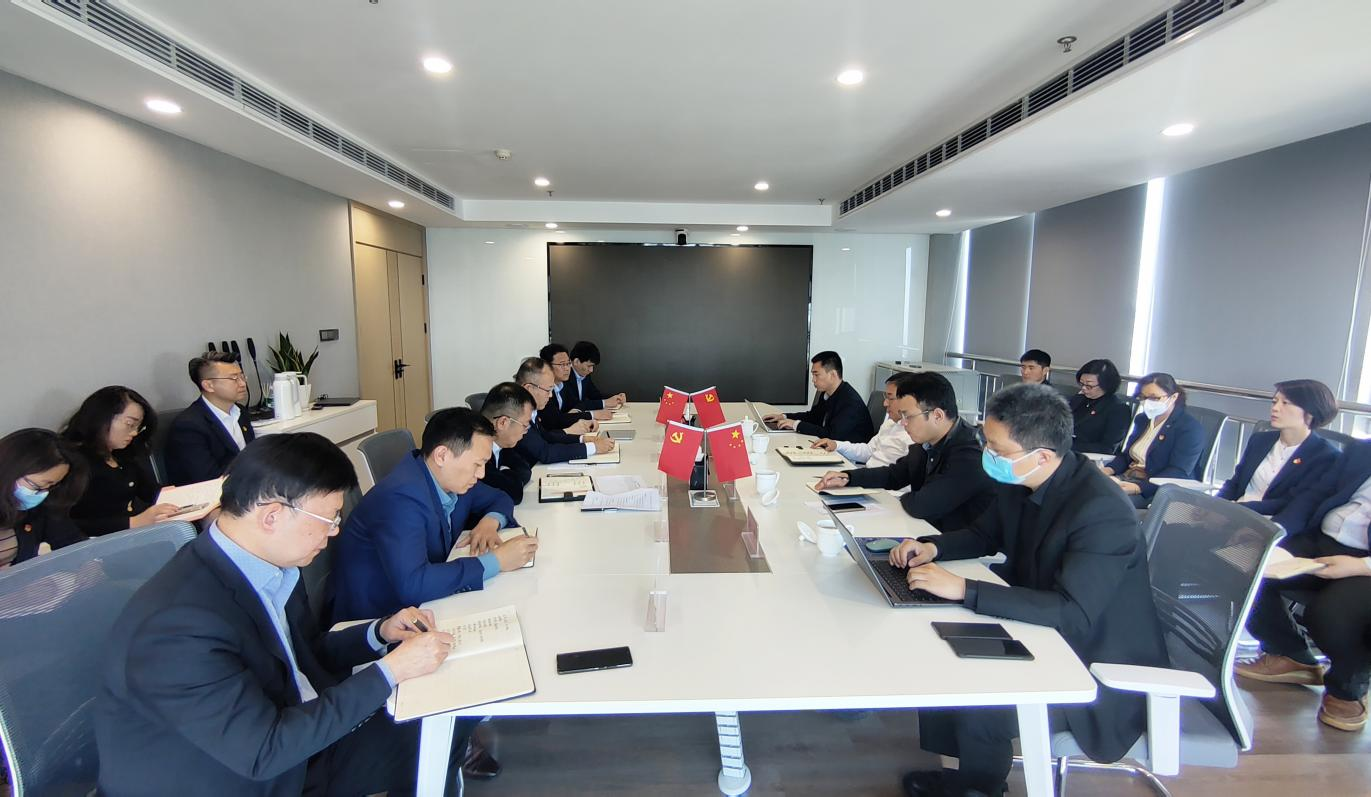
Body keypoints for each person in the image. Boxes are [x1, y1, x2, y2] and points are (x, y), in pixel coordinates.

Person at [94, 432, 472, 796]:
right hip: (248, 773)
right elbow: (263, 752)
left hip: (292, 733)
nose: (334, 533)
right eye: (329, 520)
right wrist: (392, 671)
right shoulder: (178, 626)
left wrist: (380, 632)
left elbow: (302, 654)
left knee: (445, 719)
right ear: (272, 516)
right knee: (430, 733)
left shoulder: (268, 564)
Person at [888, 384, 1166, 796]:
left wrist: (964, 588)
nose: (988, 455)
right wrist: (933, 547)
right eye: (987, 443)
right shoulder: (1024, 478)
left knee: (979, 698)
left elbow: (1073, 612)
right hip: (1041, 626)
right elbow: (984, 534)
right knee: (940, 656)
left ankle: (981, 788)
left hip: (1092, 664)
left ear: (1043, 456)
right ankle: (967, 776)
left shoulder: (1103, 512)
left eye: (998, 449)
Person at [333, 407, 536, 622]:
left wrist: (490, 521)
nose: (482, 473)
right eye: (477, 464)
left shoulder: (451, 478)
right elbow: (414, 585)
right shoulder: (400, 499)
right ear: (442, 455)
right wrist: (497, 560)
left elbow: (500, 498)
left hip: (425, 602)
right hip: (379, 618)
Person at [1237, 438, 1371, 732]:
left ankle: (1347, 688)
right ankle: (1291, 654)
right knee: (1245, 563)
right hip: (1324, 539)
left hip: (1365, 562)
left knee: (1330, 615)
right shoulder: (1362, 451)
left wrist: (1361, 566)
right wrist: (1275, 532)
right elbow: (1314, 496)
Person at [814, 373, 994, 531]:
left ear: (937, 415)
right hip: (926, 532)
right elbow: (894, 474)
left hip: (958, 547)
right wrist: (848, 478)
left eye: (908, 416)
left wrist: (889, 499)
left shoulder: (970, 453)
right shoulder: (927, 441)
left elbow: (923, 505)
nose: (903, 423)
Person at [1216, 379, 1340, 529]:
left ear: (1310, 412)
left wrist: (1236, 509)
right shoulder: (1260, 440)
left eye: (1285, 403)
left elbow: (1292, 503)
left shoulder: (1325, 456)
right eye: (1274, 402)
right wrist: (1215, 505)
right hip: (1233, 514)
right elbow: (1235, 482)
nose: (1275, 408)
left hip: (1271, 524)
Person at [63, 385, 181, 536]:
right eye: (130, 424)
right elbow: (66, 523)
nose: (134, 433)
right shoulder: (73, 461)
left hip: (134, 535)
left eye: (138, 427)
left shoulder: (122, 455)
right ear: (102, 418)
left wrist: (183, 496)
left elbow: (150, 490)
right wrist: (134, 522)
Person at [1103, 372, 1205, 507]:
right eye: (1143, 397)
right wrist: (1108, 470)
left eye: (1154, 398)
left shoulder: (1189, 428)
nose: (1147, 402)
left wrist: (1139, 488)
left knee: (1106, 503)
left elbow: (1178, 471)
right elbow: (1127, 456)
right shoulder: (1143, 420)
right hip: (1127, 478)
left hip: (1158, 489)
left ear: (1173, 397)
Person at [164, 351, 257, 485]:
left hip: (246, 485)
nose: (243, 383)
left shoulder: (240, 411)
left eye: (242, 376)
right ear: (208, 385)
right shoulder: (188, 426)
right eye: (234, 378)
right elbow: (207, 477)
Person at [0, 429, 88, 568]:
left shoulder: (39, 508)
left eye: (51, 486)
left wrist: (90, 564)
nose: (42, 493)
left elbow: (72, 543)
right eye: (36, 486)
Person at [512, 356, 615, 465]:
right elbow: (546, 453)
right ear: (529, 388)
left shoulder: (531, 410)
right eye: (548, 390)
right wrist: (592, 448)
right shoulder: (516, 415)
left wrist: (582, 439)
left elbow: (547, 437)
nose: (551, 395)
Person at [764, 351, 874, 443]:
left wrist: (796, 425)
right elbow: (813, 417)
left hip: (848, 457)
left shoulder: (850, 402)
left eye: (816, 375)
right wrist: (784, 416)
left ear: (832, 375)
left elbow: (832, 435)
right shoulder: (827, 393)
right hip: (830, 448)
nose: (813, 380)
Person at [810, 372, 913, 468]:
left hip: (877, 479)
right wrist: (836, 445)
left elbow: (898, 477)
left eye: (890, 398)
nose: (885, 403)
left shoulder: (913, 436)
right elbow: (869, 451)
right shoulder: (890, 424)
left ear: (908, 400)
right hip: (867, 474)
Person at [479, 382, 537, 504]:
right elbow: (514, 493)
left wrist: (504, 473)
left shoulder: (501, 443)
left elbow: (525, 470)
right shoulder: (477, 452)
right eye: (525, 425)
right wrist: (508, 474)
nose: (526, 431)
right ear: (503, 423)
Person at [538, 342, 608, 431]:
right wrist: (592, 415)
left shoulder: (562, 385)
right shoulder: (543, 390)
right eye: (562, 364)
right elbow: (556, 420)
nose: (567, 368)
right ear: (547, 366)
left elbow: (580, 403)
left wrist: (575, 411)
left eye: (568, 363)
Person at [1069, 358, 1132, 454]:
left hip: (1088, 456)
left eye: (1089, 386)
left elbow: (1107, 448)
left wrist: (1067, 446)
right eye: (1081, 384)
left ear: (1105, 384)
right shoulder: (1078, 399)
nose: (1083, 388)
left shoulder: (1118, 409)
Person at [569, 340, 626, 411]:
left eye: (592, 366)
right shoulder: (564, 376)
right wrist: (604, 403)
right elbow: (575, 404)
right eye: (589, 366)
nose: (591, 370)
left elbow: (595, 395)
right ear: (576, 362)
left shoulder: (584, 374)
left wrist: (616, 397)